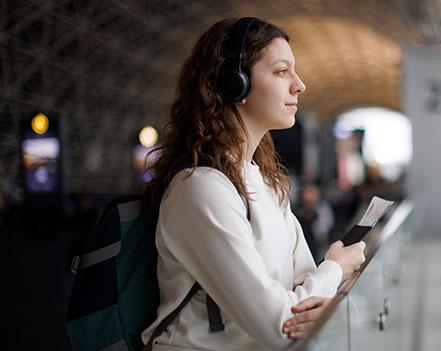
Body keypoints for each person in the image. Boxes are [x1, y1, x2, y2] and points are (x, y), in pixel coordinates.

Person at [141, 17, 366, 350]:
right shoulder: (201, 188)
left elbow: (303, 286)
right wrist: (335, 267)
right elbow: (281, 326)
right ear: (236, 84)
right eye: (281, 72)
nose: (299, 84)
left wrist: (319, 297)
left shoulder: (265, 181)